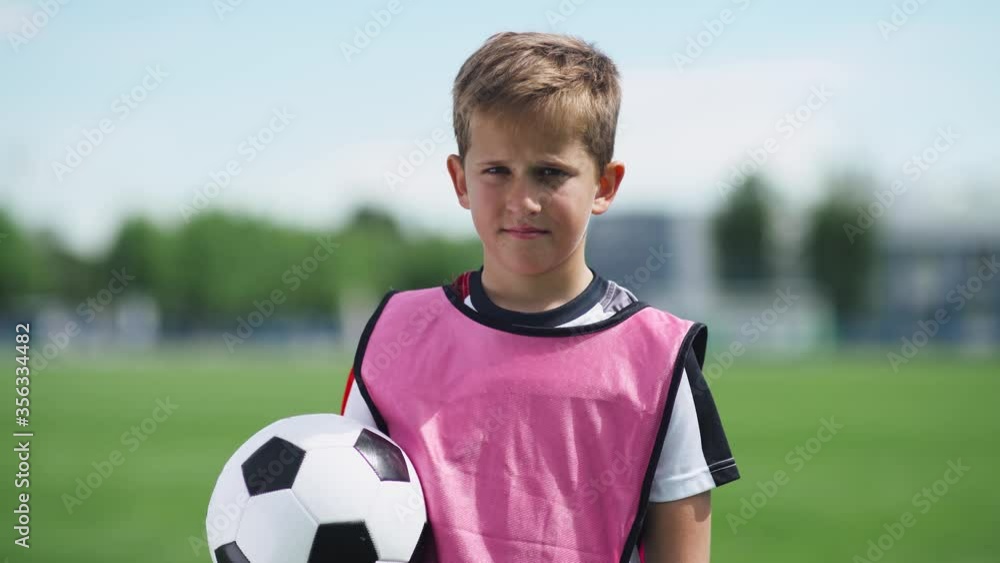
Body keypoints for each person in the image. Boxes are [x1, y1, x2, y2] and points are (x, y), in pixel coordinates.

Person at [340, 31, 739, 563]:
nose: (522, 200)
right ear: (460, 180)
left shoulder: (658, 360)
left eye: (550, 173)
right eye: (496, 172)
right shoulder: (394, 334)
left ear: (605, 185)